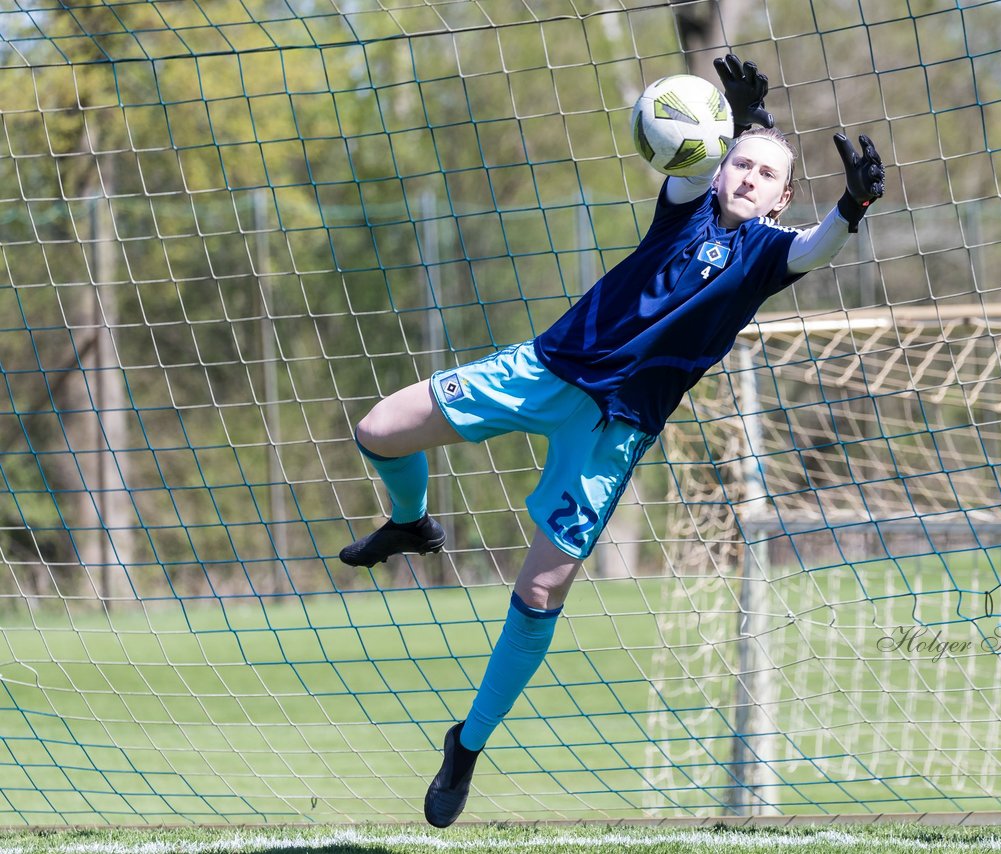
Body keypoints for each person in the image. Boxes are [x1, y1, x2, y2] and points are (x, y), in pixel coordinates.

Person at [338, 53, 886, 827]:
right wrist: (740, 120)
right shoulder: (686, 207)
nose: (751, 177)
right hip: (544, 369)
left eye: (769, 174)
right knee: (379, 431)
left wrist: (853, 206)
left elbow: (814, 248)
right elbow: (697, 163)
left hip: (612, 431)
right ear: (719, 164)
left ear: (784, 196)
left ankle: (466, 744)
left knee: (538, 592)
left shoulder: (768, 256)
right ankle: (409, 522)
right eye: (743, 163)